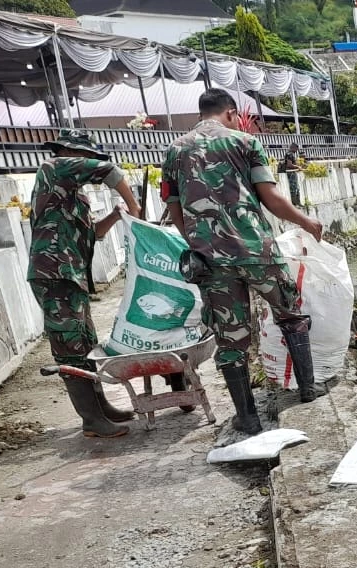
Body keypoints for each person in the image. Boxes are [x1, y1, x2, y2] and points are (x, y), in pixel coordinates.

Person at [162, 90, 324, 434]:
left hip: (211, 260)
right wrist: (306, 222)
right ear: (232, 113)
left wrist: (197, 240)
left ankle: (248, 418)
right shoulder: (245, 142)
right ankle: (308, 390)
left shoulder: (175, 150)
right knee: (290, 313)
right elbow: (271, 198)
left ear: (202, 112)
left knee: (230, 338)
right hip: (257, 252)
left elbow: (174, 207)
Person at [27, 129, 142, 439]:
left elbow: (93, 234)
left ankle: (102, 408)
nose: (88, 163)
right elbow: (109, 171)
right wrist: (133, 204)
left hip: (71, 277)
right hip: (53, 275)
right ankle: (91, 419)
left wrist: (119, 216)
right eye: (86, 157)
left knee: (85, 341)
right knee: (69, 347)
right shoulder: (54, 169)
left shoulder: (74, 194)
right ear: (70, 153)